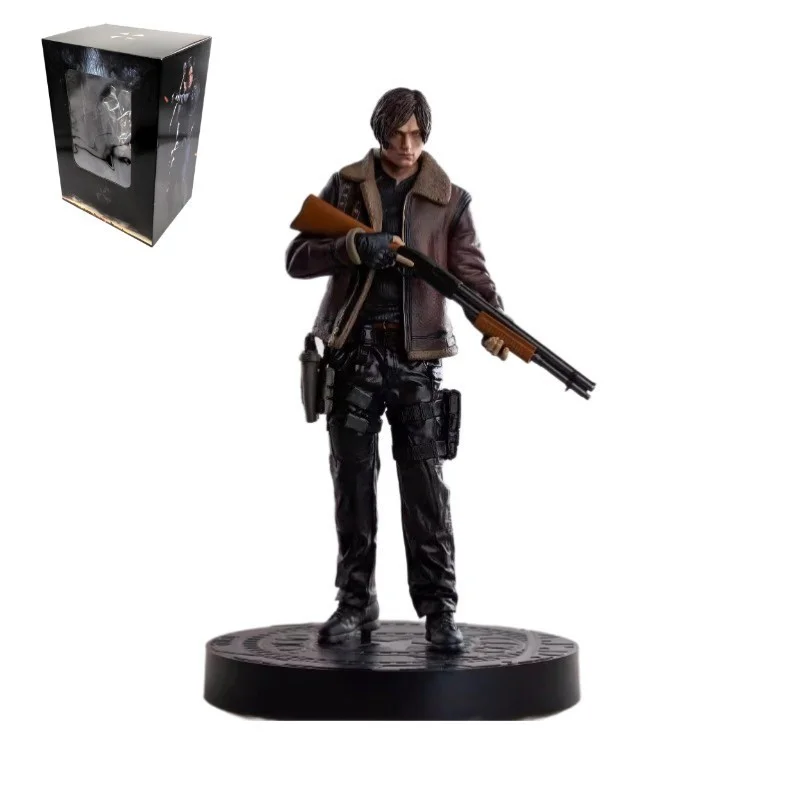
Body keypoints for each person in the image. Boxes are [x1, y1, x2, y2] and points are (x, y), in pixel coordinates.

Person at [286, 88, 508, 651]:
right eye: (397, 133)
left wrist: (494, 324)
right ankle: (354, 601)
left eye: (416, 134)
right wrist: (355, 246)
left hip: (417, 361)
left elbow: (470, 275)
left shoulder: (448, 199)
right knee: (352, 485)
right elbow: (298, 257)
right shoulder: (347, 185)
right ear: (380, 132)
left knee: (426, 490)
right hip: (353, 355)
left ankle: (439, 609)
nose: (407, 145)